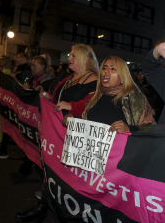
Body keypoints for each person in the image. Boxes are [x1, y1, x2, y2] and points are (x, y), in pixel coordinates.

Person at [15, 43, 99, 223]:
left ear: (85, 59)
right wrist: (48, 98)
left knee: (70, 179)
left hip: (77, 136)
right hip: (58, 133)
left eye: (74, 55)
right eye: (70, 54)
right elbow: (58, 98)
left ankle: (65, 214)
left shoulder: (94, 79)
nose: (69, 58)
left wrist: (73, 108)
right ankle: (43, 209)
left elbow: (93, 104)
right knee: (52, 171)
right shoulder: (68, 77)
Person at [83, 56, 156, 131]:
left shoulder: (132, 97)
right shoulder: (95, 97)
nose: (106, 71)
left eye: (113, 69)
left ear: (122, 76)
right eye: (104, 68)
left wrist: (129, 129)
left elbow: (151, 128)